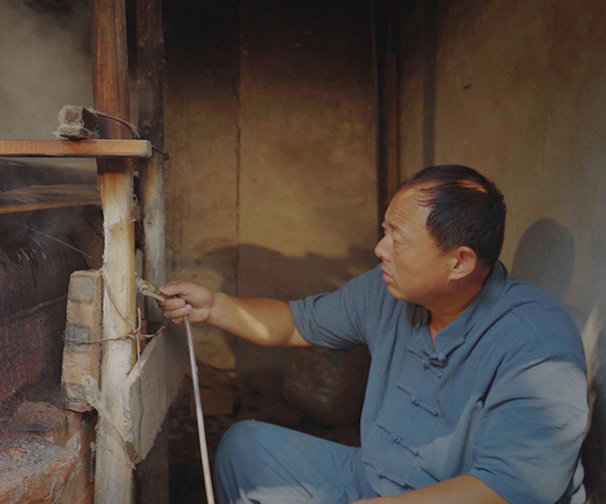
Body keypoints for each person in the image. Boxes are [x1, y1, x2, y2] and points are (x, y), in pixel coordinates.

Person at [159, 165, 588, 504]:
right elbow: (294, 322)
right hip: (374, 479)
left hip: (458, 498)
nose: (380, 249)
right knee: (246, 446)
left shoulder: (537, 343)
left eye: (397, 239)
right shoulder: (387, 291)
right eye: (385, 230)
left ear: (459, 262)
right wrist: (214, 306)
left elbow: (511, 488)